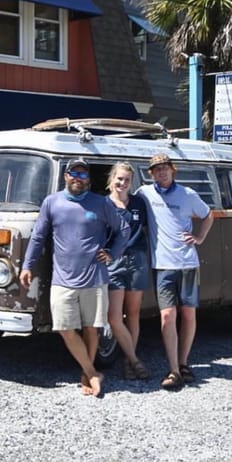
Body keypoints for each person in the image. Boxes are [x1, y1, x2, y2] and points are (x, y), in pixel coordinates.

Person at [19, 157, 130, 397]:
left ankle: (85, 375)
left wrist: (112, 252)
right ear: (66, 176)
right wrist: (27, 265)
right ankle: (92, 372)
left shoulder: (100, 203)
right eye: (74, 174)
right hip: (63, 280)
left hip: (95, 278)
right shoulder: (52, 202)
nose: (78, 179)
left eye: (83, 175)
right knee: (65, 328)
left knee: (92, 329)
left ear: (88, 179)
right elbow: (38, 237)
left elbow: (123, 230)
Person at [136, 152, 214, 391]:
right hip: (162, 264)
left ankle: (184, 363)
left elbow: (208, 215)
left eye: (165, 168)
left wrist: (199, 237)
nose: (162, 172)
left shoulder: (188, 194)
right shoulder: (145, 194)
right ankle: (173, 370)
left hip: (188, 262)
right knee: (167, 316)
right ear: (152, 174)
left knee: (189, 315)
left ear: (173, 170)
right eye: (157, 169)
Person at [104, 161, 151, 381]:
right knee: (114, 316)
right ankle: (134, 360)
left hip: (137, 259)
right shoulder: (104, 205)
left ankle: (127, 364)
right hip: (114, 262)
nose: (122, 183)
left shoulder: (139, 204)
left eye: (127, 180)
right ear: (112, 180)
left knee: (132, 314)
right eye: (119, 178)